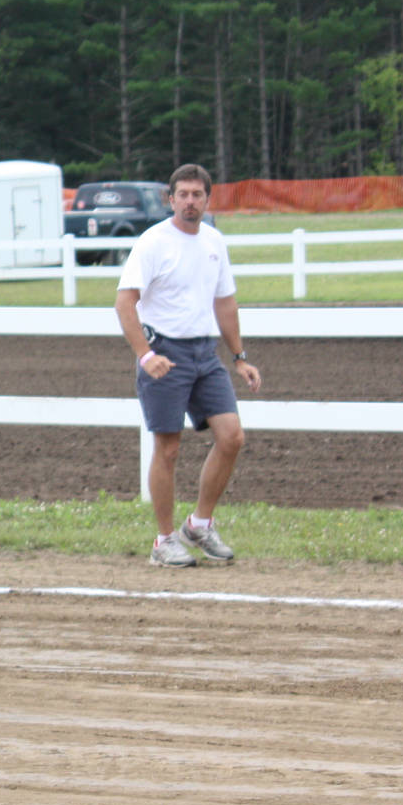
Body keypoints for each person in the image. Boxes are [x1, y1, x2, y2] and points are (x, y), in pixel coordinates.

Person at [113, 164, 263, 567]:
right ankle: (164, 541)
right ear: (170, 198)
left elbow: (224, 302)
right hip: (164, 352)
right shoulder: (152, 242)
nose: (190, 202)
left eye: (198, 195)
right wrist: (146, 355)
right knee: (169, 448)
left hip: (205, 354)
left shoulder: (214, 241)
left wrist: (239, 357)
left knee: (231, 437)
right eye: (183, 194)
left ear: (208, 199)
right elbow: (124, 302)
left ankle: (199, 524)